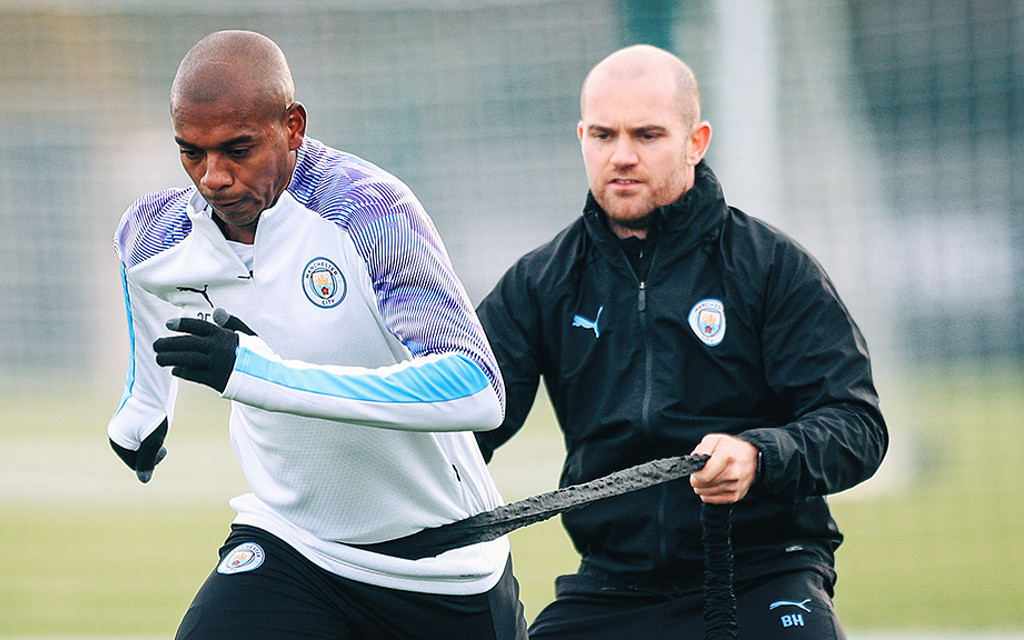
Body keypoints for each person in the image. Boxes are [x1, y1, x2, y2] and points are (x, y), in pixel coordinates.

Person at [106, 30, 526, 640]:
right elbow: (137, 267)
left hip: (440, 568)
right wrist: (145, 408)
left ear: (294, 127)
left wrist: (258, 375)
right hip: (294, 547)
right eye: (191, 153)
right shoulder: (164, 232)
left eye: (237, 149)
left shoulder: (367, 213)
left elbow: (474, 390)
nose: (212, 177)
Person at [475, 44, 888, 639]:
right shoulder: (540, 282)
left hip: (764, 572)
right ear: (581, 137)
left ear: (696, 141)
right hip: (613, 585)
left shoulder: (771, 267)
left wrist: (760, 456)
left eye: (647, 135)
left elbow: (858, 426)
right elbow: (468, 424)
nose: (621, 156)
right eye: (602, 134)